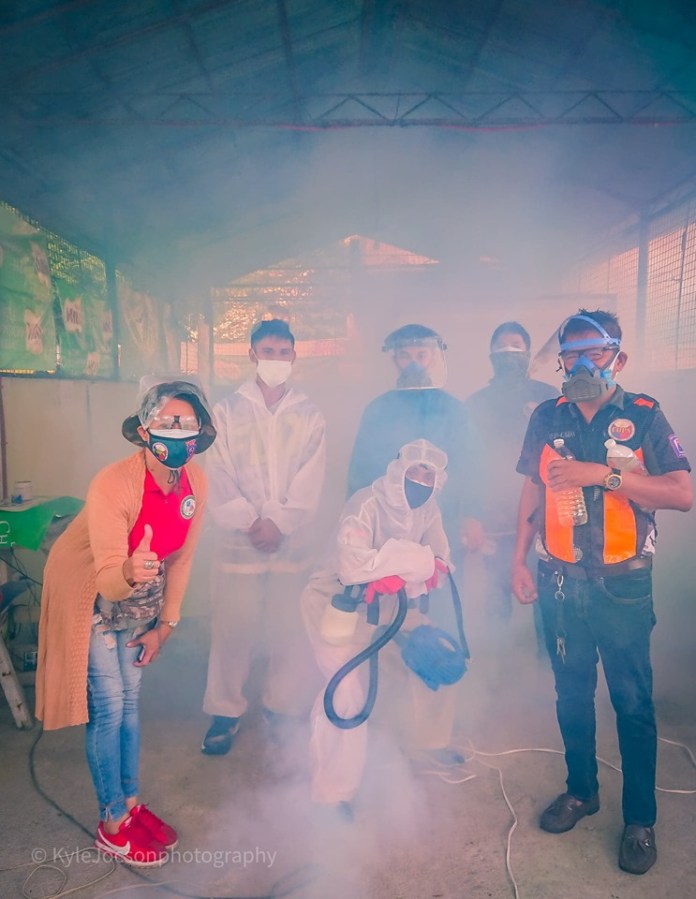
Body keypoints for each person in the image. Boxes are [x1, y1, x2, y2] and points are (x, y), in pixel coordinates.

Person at [511, 309, 692, 876]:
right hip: (560, 582)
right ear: (560, 361)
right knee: (570, 694)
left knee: (632, 704)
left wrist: (604, 476)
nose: (582, 365)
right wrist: (518, 560)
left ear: (619, 357)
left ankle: (640, 820)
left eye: (595, 352)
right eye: (571, 354)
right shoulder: (546, 415)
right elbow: (531, 490)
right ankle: (581, 791)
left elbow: (681, 493)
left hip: (623, 584)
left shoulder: (643, 415)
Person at [36, 375, 217, 867]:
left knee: (131, 701)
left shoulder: (196, 482)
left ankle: (131, 804)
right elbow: (109, 580)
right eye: (166, 422)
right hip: (92, 587)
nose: (177, 432)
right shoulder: (113, 483)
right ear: (143, 430)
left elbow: (182, 559)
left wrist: (166, 626)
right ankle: (112, 822)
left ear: (202, 431)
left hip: (140, 593)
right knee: (110, 704)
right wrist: (131, 573)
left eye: (188, 423)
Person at [302, 439, 464, 820]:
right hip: (337, 606)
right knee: (346, 693)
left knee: (436, 654)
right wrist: (413, 564)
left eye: (429, 475)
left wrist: (401, 567)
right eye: (414, 471)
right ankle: (331, 793)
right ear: (398, 469)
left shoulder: (429, 509)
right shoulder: (366, 504)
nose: (420, 481)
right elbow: (352, 566)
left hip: (393, 604)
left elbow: (441, 560)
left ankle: (429, 742)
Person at [201, 318, 327, 755]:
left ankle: (282, 706)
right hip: (239, 539)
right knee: (232, 627)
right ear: (252, 354)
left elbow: (312, 474)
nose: (276, 359)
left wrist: (280, 522)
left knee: (288, 626)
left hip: (290, 539)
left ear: (294, 356)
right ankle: (224, 710)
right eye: (267, 352)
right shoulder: (225, 412)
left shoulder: (309, 414)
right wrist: (250, 520)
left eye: (283, 352)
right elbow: (215, 470)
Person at [347, 323, 483, 553]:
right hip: (385, 523)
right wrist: (355, 516)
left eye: (421, 355)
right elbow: (360, 468)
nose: (413, 364)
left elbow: (471, 463)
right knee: (386, 574)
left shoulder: (453, 409)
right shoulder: (378, 409)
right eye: (405, 356)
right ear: (394, 360)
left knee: (441, 571)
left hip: (444, 519)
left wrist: (472, 514)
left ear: (433, 358)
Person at [464, 321, 557, 627]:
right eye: (501, 347)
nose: (508, 352)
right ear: (491, 355)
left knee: (548, 596)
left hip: (544, 516)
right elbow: (466, 461)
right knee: (496, 594)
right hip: (495, 518)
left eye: (516, 346)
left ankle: (547, 651)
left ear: (528, 353)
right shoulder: (476, 403)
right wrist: (471, 515)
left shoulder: (548, 397)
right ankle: (499, 651)